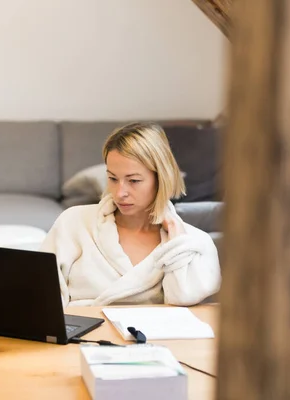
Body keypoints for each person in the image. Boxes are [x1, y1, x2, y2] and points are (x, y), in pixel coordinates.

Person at [40, 122, 221, 307]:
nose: (120, 193)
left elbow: (184, 301)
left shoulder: (195, 244)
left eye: (133, 180)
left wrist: (177, 243)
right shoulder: (74, 222)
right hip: (79, 333)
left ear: (161, 178)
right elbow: (40, 298)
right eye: (112, 178)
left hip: (152, 336)